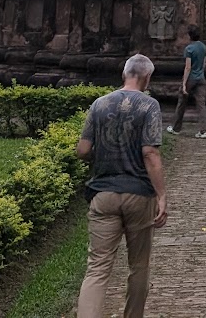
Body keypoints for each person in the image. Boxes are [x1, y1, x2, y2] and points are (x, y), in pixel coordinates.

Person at [75, 53, 168, 318]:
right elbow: (150, 153)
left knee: (97, 268)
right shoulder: (149, 106)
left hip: (103, 193)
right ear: (147, 77)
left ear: (124, 74)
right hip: (139, 194)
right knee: (139, 266)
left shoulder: (99, 104)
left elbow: (82, 150)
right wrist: (161, 195)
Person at [171, 25, 206, 137]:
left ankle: (176, 128)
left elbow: (188, 67)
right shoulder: (203, 46)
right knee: (201, 104)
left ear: (189, 36)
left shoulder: (189, 49)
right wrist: (201, 72)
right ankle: (203, 130)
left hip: (191, 78)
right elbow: (204, 62)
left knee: (182, 102)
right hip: (201, 78)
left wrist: (183, 84)